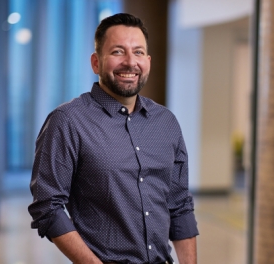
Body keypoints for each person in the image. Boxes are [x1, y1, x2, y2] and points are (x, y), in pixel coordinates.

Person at [28, 13, 199, 264]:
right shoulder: (67, 121)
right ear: (96, 62)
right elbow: (48, 207)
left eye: (138, 52)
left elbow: (180, 204)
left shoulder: (166, 122)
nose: (130, 62)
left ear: (148, 61)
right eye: (118, 52)